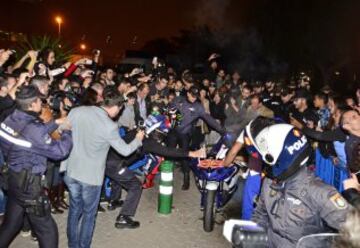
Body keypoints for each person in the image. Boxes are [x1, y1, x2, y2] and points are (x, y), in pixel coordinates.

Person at [224, 117, 351, 247]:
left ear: (281, 157)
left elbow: (355, 231)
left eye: (266, 159)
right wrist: (250, 239)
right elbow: (260, 215)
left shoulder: (320, 192)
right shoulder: (269, 183)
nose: (264, 164)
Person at [64, 86, 145, 248]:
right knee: (88, 215)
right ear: (115, 107)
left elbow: (63, 130)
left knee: (74, 211)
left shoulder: (77, 111)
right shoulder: (109, 125)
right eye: (119, 110)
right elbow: (125, 150)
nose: (118, 113)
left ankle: (73, 245)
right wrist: (138, 139)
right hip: (90, 178)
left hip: (71, 172)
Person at [0, 85, 72, 248]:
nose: (43, 103)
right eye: (40, 100)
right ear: (32, 105)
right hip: (29, 186)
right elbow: (60, 152)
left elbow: (28, 132)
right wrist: (67, 131)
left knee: (11, 224)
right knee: (47, 230)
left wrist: (55, 122)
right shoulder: (34, 128)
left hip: (12, 179)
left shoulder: (9, 118)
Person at [167, 86, 226, 190]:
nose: (194, 98)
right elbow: (170, 110)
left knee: (184, 156)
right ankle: (167, 177)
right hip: (173, 131)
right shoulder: (178, 100)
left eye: (196, 96)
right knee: (169, 154)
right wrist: (175, 118)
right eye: (192, 95)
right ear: (188, 93)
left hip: (185, 134)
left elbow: (208, 119)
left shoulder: (198, 107)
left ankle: (186, 179)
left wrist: (221, 130)